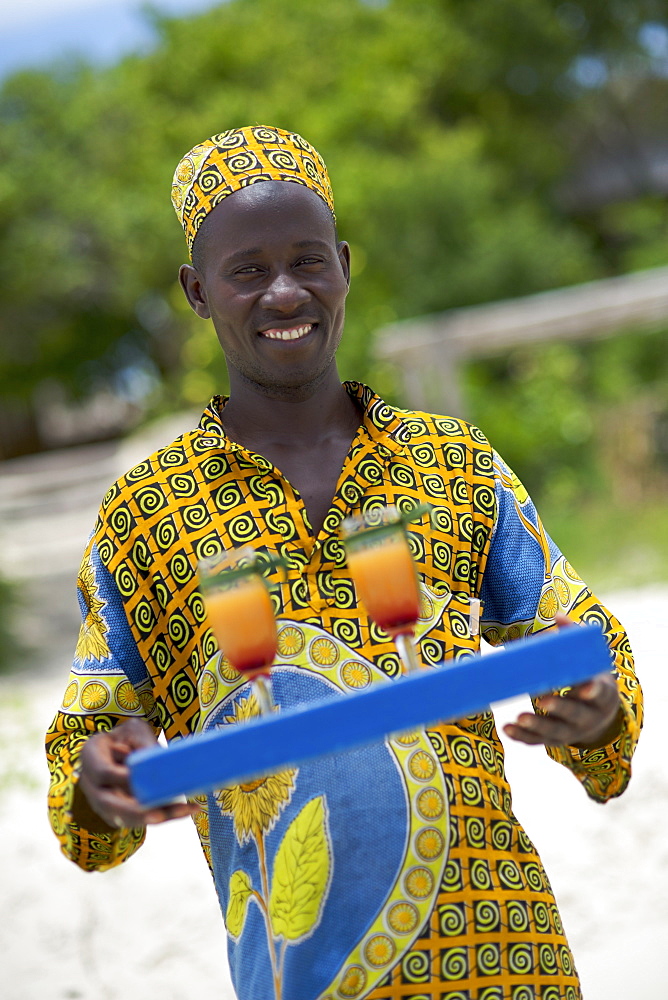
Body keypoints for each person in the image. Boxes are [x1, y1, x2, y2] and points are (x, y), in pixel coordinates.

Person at [46, 125, 642, 1000]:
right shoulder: (145, 517)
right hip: (304, 979)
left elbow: (585, 644)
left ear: (346, 267)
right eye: (248, 270)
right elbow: (87, 763)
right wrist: (104, 782)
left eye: (308, 261)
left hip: (503, 958)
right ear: (197, 291)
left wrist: (593, 712)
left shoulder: (453, 464)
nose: (285, 292)